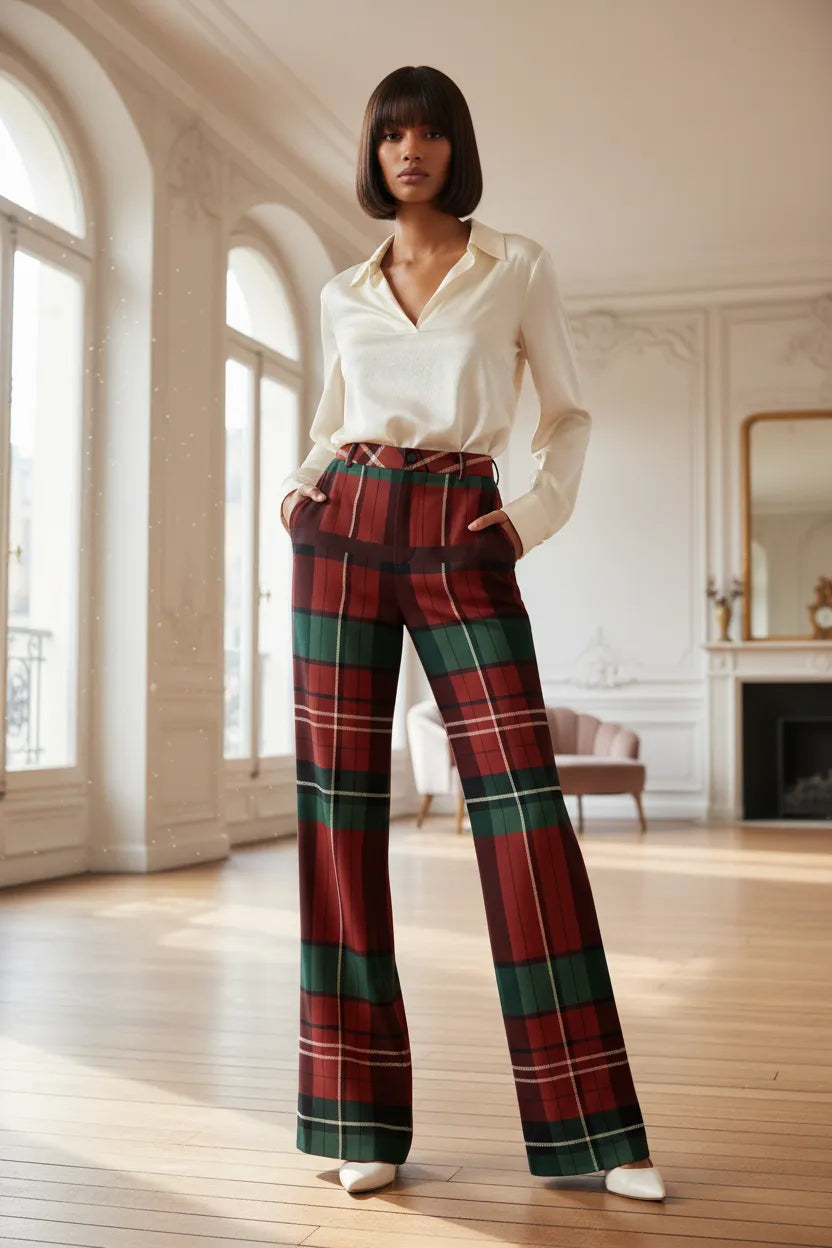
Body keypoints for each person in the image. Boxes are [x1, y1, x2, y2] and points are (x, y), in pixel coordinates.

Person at [278, 65, 665, 1204]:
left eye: (429, 133)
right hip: (342, 528)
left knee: (523, 812)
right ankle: (360, 1122)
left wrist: (528, 520)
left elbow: (569, 411)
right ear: (374, 151)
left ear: (455, 149)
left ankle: (598, 1134)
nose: (410, 151)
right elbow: (326, 415)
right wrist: (299, 493)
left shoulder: (516, 267)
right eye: (392, 134)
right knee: (338, 817)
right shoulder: (341, 287)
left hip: (461, 526)